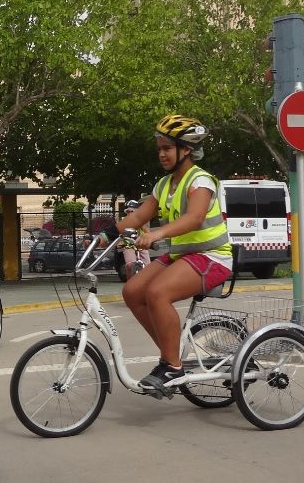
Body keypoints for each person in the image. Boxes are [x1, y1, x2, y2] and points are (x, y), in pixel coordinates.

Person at [101, 115, 232, 397]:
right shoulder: (163, 185)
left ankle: (172, 366)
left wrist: (157, 235)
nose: (161, 154)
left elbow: (195, 217)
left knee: (157, 293)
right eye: (159, 148)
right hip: (181, 257)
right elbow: (138, 215)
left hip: (211, 258)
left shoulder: (201, 181)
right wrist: (106, 234)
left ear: (186, 149)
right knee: (133, 291)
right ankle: (169, 356)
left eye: (167, 149)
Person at [122, 199, 150, 280]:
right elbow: (119, 234)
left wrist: (148, 238)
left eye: (132, 211)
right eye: (128, 211)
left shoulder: (141, 221)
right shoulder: (124, 222)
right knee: (130, 265)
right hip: (129, 246)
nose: (130, 213)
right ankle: (130, 283)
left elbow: (148, 232)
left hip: (141, 245)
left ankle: (146, 283)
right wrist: (119, 242)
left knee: (148, 267)